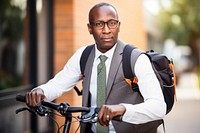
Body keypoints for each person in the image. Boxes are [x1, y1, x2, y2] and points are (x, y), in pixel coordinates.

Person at [26, 2, 166, 133]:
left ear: (118, 26)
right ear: (90, 28)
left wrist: (122, 109)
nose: (106, 30)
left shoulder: (136, 59)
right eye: (99, 24)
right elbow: (58, 84)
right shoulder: (83, 56)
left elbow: (159, 107)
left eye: (111, 23)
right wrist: (41, 91)